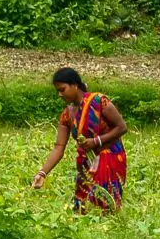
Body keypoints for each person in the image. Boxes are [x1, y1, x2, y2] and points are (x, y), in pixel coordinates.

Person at [33, 67, 127, 213]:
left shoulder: (98, 101)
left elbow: (121, 127)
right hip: (86, 163)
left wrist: (96, 141)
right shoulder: (67, 114)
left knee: (105, 206)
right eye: (57, 91)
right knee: (82, 207)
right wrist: (42, 173)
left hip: (110, 158)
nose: (60, 94)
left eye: (62, 89)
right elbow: (59, 147)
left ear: (75, 85)